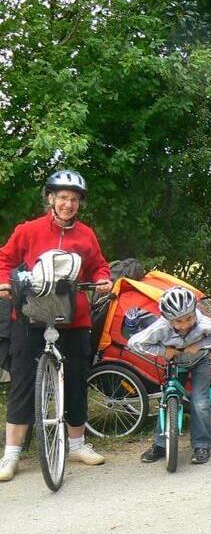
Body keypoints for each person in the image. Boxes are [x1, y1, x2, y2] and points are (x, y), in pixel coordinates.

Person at [0, 170, 113, 482]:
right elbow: (4, 259)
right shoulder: (28, 230)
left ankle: (76, 445)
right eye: (62, 197)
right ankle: (11, 454)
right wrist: (4, 283)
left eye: (74, 199)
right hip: (30, 315)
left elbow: (99, 265)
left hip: (73, 319)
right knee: (23, 383)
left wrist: (103, 279)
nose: (68, 204)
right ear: (51, 198)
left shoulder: (86, 235)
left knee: (76, 379)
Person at [131, 286, 211, 465]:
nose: (185, 325)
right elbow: (135, 343)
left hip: (200, 361)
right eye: (178, 321)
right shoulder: (161, 327)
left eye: (189, 318)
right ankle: (161, 444)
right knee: (167, 399)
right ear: (167, 318)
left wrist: (199, 345)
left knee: (199, 401)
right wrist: (163, 351)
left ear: (194, 312)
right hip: (175, 363)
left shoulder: (202, 323)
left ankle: (201, 445)